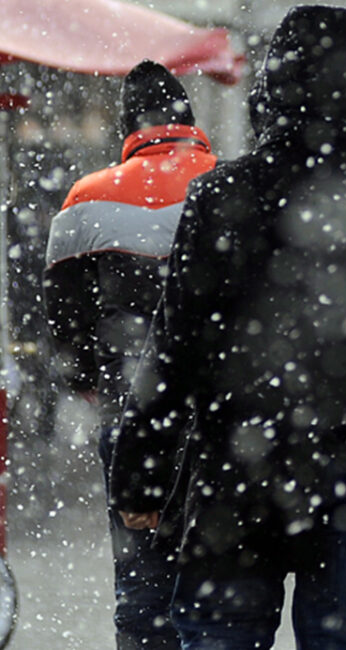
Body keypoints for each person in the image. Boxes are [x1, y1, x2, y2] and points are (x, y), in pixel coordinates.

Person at [107, 6, 346, 649]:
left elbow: (176, 347)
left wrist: (143, 474)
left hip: (236, 476)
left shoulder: (223, 195)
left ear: (272, 87)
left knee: (222, 635)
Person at [43, 60, 216, 650]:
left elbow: (63, 323)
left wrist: (96, 385)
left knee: (142, 581)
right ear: (189, 119)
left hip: (130, 412)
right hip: (223, 418)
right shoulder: (228, 183)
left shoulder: (86, 198)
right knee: (222, 587)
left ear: (128, 126)